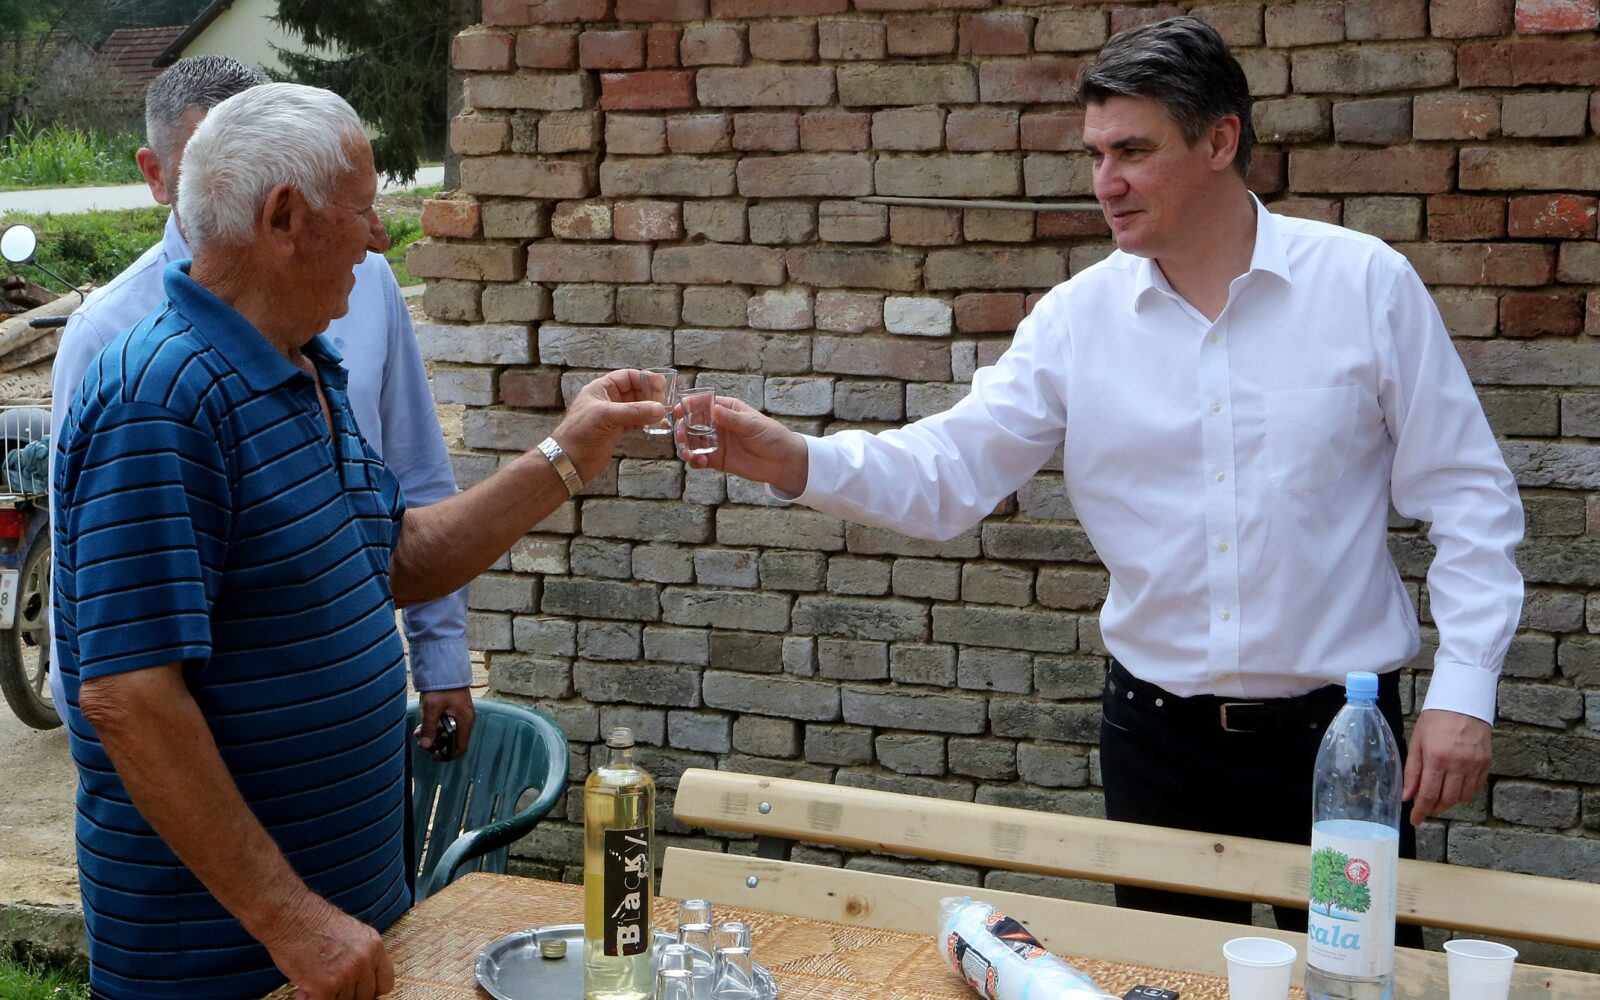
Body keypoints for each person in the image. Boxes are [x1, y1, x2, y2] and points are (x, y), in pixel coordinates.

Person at [684, 16, 1523, 933]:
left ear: (1220, 141)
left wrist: (1464, 692)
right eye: (1095, 154)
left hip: (1342, 745)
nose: (1105, 182)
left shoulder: (1364, 285)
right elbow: (952, 470)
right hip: (1155, 744)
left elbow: (1469, 496)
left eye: (1133, 151)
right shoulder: (1075, 320)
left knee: (1352, 976)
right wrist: (796, 460)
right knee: (1162, 980)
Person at [53, 82, 664, 1000]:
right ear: (284, 219)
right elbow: (129, 698)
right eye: (364, 208)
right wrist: (290, 920)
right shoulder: (160, 399)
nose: (382, 237)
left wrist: (566, 457)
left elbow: (398, 559)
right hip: (224, 963)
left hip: (343, 931)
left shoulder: (305, 364)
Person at [48, 55, 474, 760]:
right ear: (158, 175)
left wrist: (442, 659)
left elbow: (412, 484)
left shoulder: (359, 289)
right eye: (209, 165)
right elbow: (96, 613)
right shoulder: (112, 345)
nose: (378, 238)